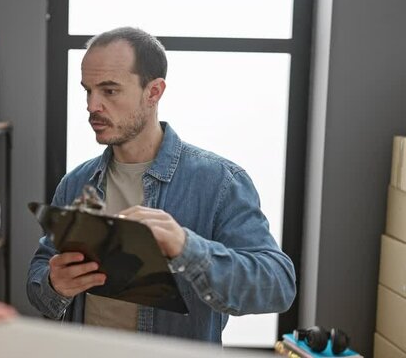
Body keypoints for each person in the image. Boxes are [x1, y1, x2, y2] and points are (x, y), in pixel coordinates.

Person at [27, 27, 296, 343]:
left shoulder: (220, 182)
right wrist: (54, 284)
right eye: (88, 90)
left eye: (109, 91)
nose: (92, 105)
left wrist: (186, 246)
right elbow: (40, 280)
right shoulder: (76, 183)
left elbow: (277, 286)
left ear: (153, 92)